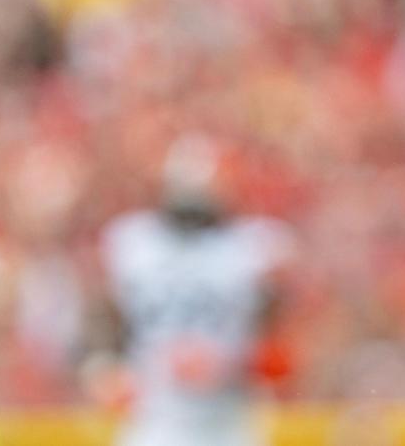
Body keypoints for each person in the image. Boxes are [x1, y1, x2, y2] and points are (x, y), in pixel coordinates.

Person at [84, 135, 292, 446]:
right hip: (155, 417)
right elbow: (107, 322)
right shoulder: (134, 242)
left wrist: (235, 362)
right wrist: (108, 367)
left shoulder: (253, 247)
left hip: (227, 417)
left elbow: (275, 343)